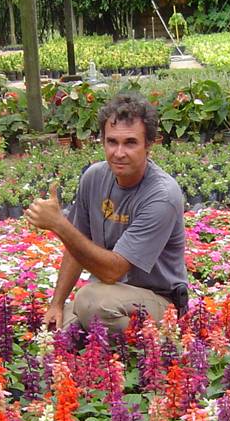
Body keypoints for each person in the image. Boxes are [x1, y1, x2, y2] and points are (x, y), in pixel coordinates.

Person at [25, 92, 188, 333]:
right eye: (112, 142)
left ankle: (157, 347)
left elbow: (113, 271)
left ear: (149, 145)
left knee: (92, 301)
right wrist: (56, 304)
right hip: (110, 295)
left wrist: (59, 224)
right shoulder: (94, 177)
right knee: (55, 333)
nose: (119, 152)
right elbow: (77, 246)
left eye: (130, 142)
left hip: (159, 299)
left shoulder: (162, 196)